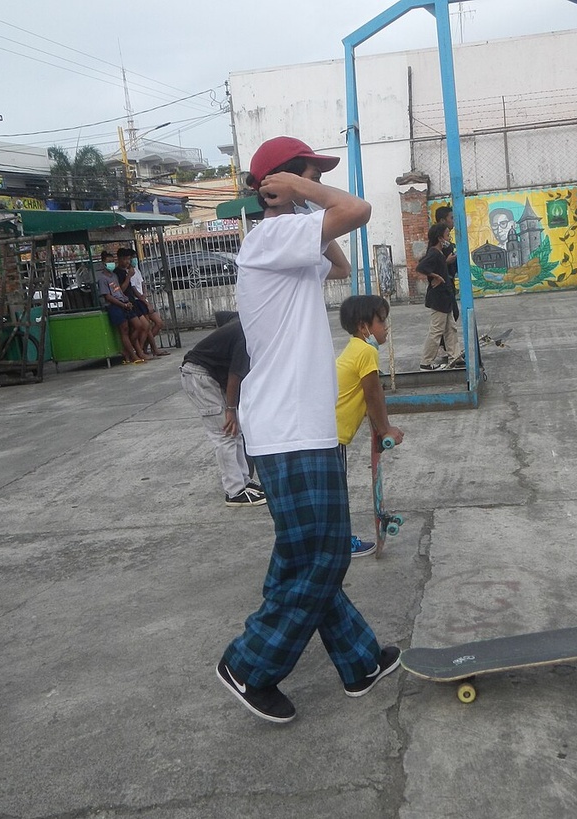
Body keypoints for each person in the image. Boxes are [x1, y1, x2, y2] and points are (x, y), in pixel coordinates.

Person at [216, 135, 401, 724]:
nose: (315, 182)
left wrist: (301, 195)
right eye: (308, 172)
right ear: (281, 183)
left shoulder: (290, 242)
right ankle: (249, 663)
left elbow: (341, 262)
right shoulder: (271, 236)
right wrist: (296, 193)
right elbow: (358, 211)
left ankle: (360, 659)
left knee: (306, 554)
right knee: (322, 555)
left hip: (299, 425)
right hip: (289, 427)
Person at [334, 295, 405, 559]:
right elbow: (373, 395)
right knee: (336, 494)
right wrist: (386, 429)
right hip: (333, 435)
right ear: (364, 326)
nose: (385, 327)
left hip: (329, 431)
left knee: (333, 490)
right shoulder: (366, 351)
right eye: (381, 321)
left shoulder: (355, 348)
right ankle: (340, 544)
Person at [179, 313, 266, 507]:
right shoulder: (248, 335)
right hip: (199, 376)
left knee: (235, 431)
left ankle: (244, 481)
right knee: (225, 434)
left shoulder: (247, 324)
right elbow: (235, 374)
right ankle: (234, 491)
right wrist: (230, 409)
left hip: (210, 376)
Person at [415, 222, 464, 371]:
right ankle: (426, 362)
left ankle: (455, 357)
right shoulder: (434, 253)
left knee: (451, 328)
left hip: (445, 296)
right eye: (447, 235)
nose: (449, 237)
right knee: (437, 330)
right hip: (439, 298)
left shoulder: (439, 254)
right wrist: (435, 276)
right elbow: (421, 267)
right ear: (439, 237)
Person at [96, 250, 143, 364]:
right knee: (124, 330)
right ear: (103, 263)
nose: (111, 263)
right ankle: (132, 355)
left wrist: (126, 301)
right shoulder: (102, 279)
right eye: (108, 261)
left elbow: (119, 291)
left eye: (112, 261)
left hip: (124, 303)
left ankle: (127, 352)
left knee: (137, 326)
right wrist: (122, 304)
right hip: (115, 306)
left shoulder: (114, 276)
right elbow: (108, 296)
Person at [114, 248, 156, 359]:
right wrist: (128, 277)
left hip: (132, 303)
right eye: (125, 259)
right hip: (126, 304)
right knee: (138, 327)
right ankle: (134, 351)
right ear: (119, 259)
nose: (127, 261)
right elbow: (120, 290)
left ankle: (137, 350)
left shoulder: (130, 271)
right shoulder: (118, 273)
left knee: (143, 326)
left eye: (128, 259)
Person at [128, 256, 169, 357]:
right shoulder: (129, 273)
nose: (134, 260)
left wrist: (145, 295)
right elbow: (133, 290)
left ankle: (146, 347)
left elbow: (142, 284)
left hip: (143, 300)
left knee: (158, 323)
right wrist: (145, 302)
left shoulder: (136, 270)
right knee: (147, 326)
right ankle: (146, 349)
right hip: (138, 301)